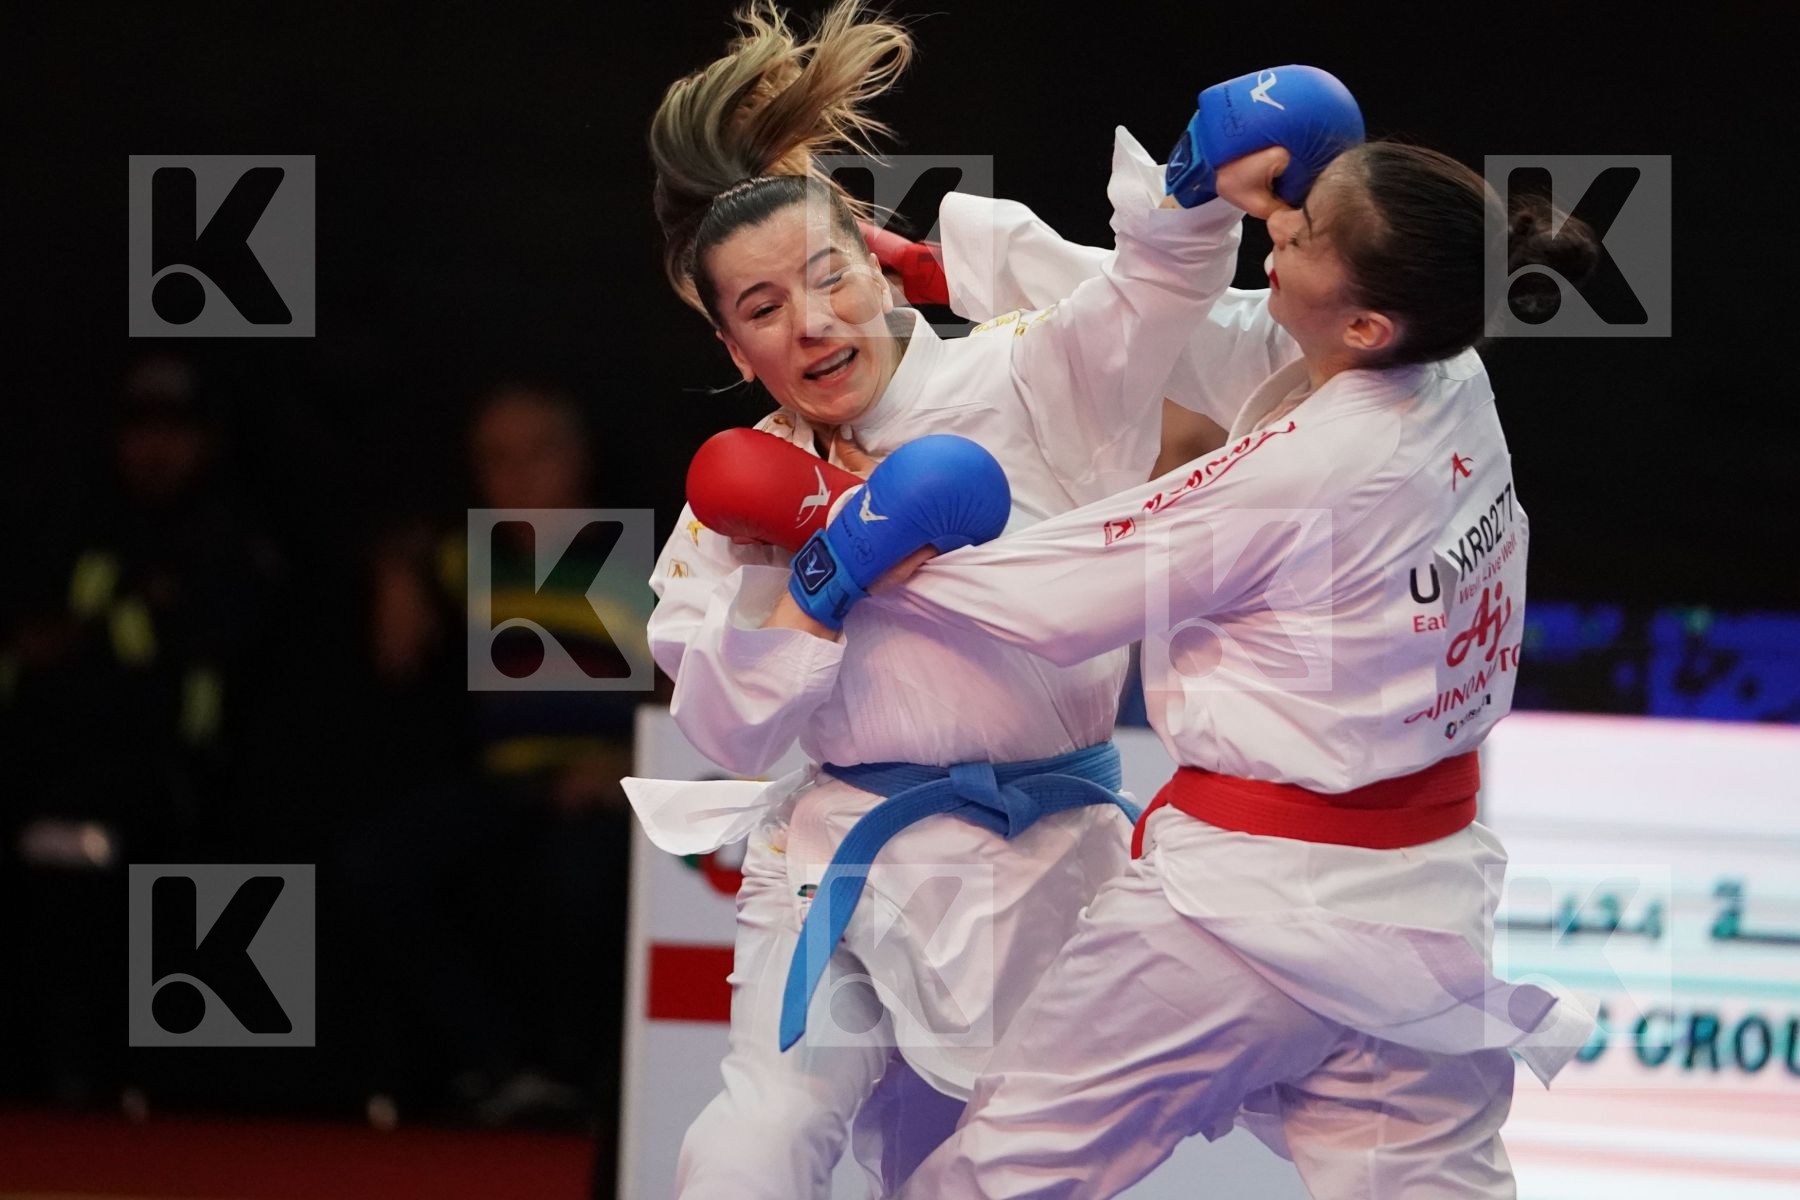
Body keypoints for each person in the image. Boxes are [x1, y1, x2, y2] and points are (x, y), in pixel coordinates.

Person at [627, 4, 1359, 1195]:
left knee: (969, 1177)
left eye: (830, 279)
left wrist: (1199, 187)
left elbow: (1152, 296)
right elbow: (722, 728)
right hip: (844, 864)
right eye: (763, 310)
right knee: (755, 1147)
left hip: (1047, 870)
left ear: (878, 267)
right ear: (729, 340)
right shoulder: (737, 492)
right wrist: (823, 579)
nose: (813, 322)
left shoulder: (1028, 372)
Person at [784, 142, 1603, 1198]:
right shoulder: (1450, 370)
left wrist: (840, 541)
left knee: (1000, 1180)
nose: (1275, 227)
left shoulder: (1313, 467)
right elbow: (1230, 339)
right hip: (1421, 917)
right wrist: (957, 274)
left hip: (1238, 922)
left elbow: (1059, 595)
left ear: (1366, 323)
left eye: (1302, 234)